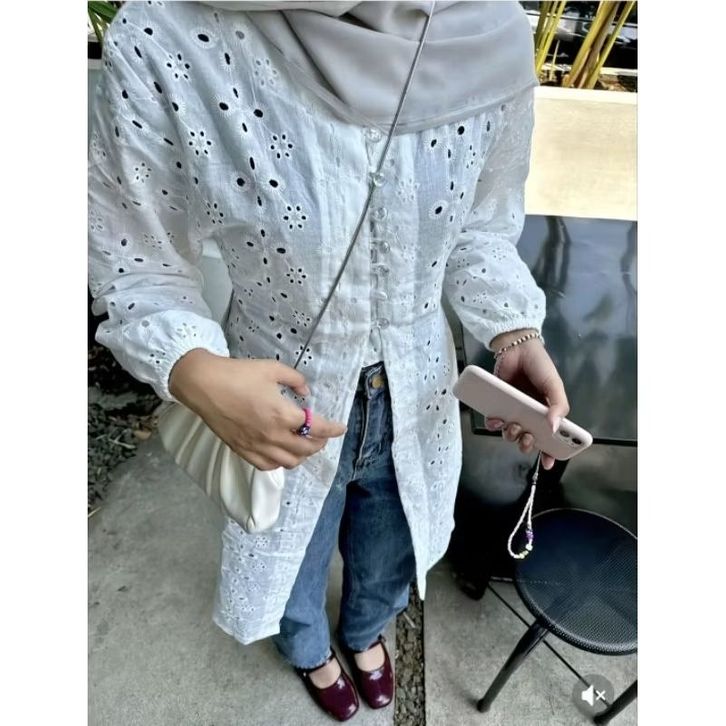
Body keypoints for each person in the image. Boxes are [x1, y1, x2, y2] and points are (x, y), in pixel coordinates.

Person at [88, 1, 570, 721]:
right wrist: (196, 372)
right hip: (276, 397)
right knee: (291, 556)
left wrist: (513, 332)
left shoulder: (488, 26)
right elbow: (133, 255)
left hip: (422, 389)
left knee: (392, 548)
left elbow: (479, 225)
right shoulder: (170, 31)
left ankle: (366, 630)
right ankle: (308, 647)